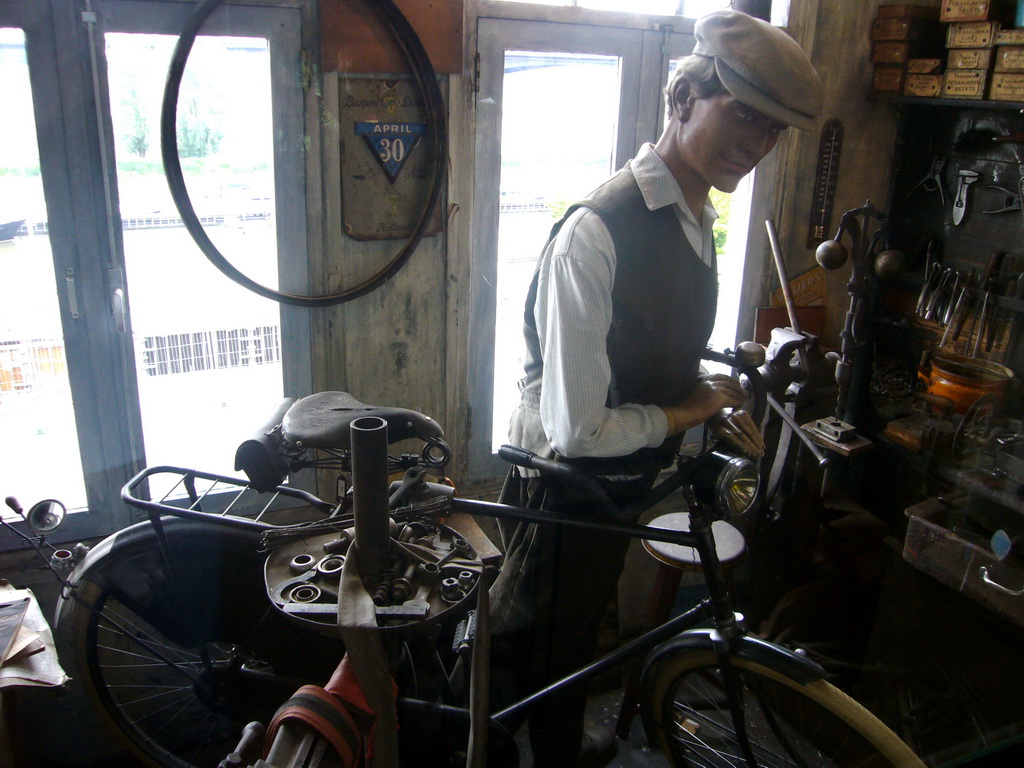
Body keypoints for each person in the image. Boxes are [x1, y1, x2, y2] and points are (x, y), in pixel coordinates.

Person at [487, 9, 823, 768]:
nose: (758, 144)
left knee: (570, 639)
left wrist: (706, 370)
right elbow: (576, 429)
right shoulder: (597, 232)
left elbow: (641, 332)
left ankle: (561, 747)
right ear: (681, 98)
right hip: (565, 482)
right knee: (525, 647)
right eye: (743, 115)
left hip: (621, 480)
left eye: (772, 129)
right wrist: (689, 408)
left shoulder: (694, 214)